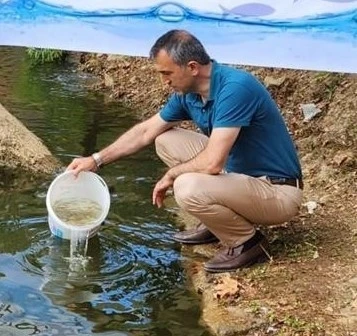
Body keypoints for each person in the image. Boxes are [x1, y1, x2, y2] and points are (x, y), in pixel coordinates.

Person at [67, 29, 303, 273]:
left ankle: (247, 243)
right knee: (164, 139)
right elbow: (146, 132)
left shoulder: (235, 88)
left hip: (276, 191)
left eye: (167, 73)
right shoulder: (189, 94)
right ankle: (217, 222)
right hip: (239, 176)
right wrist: (96, 160)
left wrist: (171, 175)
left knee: (186, 186)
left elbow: (212, 163)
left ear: (192, 67)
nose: (164, 81)